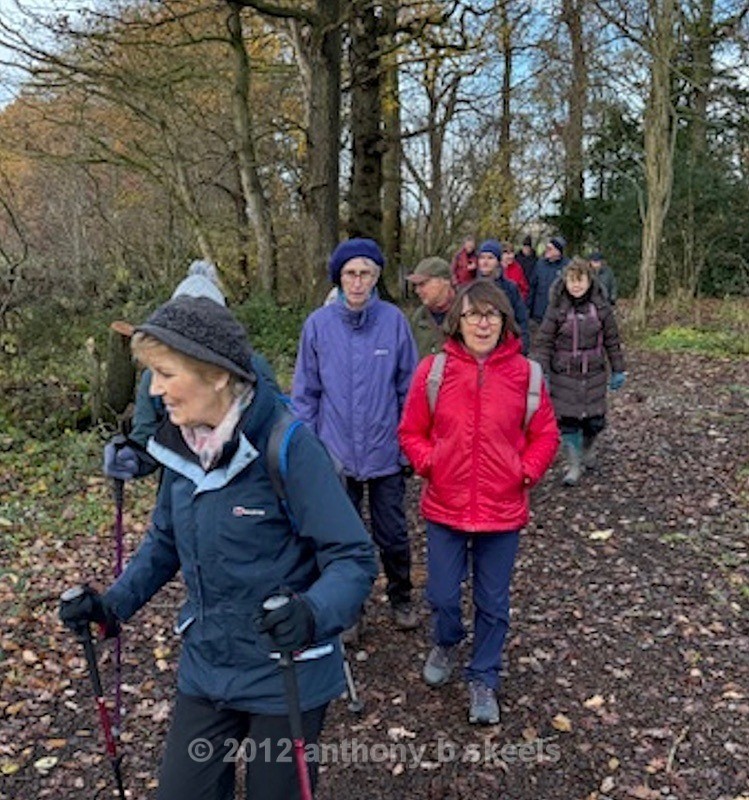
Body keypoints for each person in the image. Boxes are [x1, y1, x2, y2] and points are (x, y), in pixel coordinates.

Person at [60, 295, 377, 800]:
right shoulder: (181, 445)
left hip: (286, 672)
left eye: (165, 373)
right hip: (209, 665)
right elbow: (165, 541)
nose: (154, 389)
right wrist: (110, 607)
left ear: (218, 374)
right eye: (152, 374)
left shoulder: (288, 446)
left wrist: (311, 614)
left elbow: (354, 558)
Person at [398, 281, 559, 725]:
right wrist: (430, 463)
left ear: (505, 321)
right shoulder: (434, 370)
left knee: (492, 602)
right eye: (473, 315)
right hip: (445, 507)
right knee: (443, 595)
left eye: (491, 315)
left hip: (501, 510)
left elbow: (545, 434)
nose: (483, 323)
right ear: (459, 321)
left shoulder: (527, 375)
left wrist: (524, 471)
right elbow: (411, 431)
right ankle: (446, 641)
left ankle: (484, 676)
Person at [292, 238, 420, 631]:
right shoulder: (318, 325)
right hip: (335, 455)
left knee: (392, 534)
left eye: (366, 273)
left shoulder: (394, 322)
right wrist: (310, 453)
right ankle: (350, 611)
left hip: (385, 453)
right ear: (339, 278)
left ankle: (401, 596)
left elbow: (409, 389)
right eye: (350, 273)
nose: (358, 282)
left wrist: (407, 448)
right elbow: (305, 394)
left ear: (377, 277)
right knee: (342, 540)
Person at [103, 261, 279, 482]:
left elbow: (276, 425)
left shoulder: (254, 368)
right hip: (179, 486)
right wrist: (131, 457)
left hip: (246, 484)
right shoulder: (153, 377)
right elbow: (146, 436)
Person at [532, 257, 626, 486]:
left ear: (589, 281)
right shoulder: (556, 309)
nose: (576, 285)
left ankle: (587, 450)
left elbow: (612, 340)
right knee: (568, 422)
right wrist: (542, 372)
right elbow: (543, 343)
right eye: (571, 280)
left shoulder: (601, 308)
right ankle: (573, 465)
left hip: (593, 373)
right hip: (564, 374)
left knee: (594, 422)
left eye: (580, 280)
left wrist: (618, 369)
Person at [475, 239, 530, 354]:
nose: (485, 262)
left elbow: (522, 320)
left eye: (490, 258)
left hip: (505, 348)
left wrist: (522, 347)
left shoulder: (510, 288)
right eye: (482, 257)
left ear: (498, 261)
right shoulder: (471, 288)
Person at [406, 256, 455, 357]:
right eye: (416, 285)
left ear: (444, 281)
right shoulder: (415, 319)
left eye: (423, 284)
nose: (417, 291)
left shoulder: (468, 314)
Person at [527, 235, 570, 326]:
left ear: (558, 252)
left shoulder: (567, 266)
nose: (546, 250)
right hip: (539, 314)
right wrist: (528, 310)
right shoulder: (539, 264)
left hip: (558, 315)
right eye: (547, 247)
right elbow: (532, 287)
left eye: (550, 249)